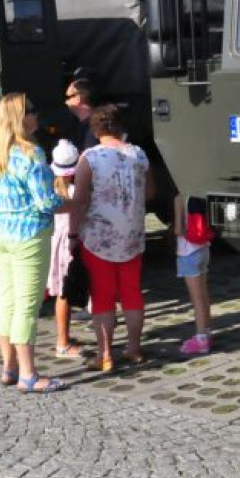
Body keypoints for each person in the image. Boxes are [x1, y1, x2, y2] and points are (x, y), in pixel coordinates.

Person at [0, 93, 66, 394]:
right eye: (32, 111)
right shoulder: (32, 154)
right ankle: (29, 375)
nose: (37, 116)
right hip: (29, 235)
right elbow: (45, 202)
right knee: (27, 307)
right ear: (20, 118)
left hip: (0, 234)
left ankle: (9, 366)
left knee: (9, 302)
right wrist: (70, 199)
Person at [69, 104, 153, 372]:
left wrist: (72, 233)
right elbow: (150, 191)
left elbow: (79, 201)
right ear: (120, 125)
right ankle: (134, 348)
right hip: (131, 235)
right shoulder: (139, 155)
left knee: (103, 297)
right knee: (132, 293)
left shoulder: (90, 158)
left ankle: (105, 354)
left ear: (96, 129)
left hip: (98, 237)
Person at [47, 139, 85, 359]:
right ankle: (62, 342)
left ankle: (64, 338)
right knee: (65, 294)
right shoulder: (75, 192)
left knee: (61, 293)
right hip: (70, 245)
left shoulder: (50, 191)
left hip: (53, 244)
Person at [175, 193, 213, 356]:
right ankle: (207, 331)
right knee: (203, 295)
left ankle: (201, 338)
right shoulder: (200, 192)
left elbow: (179, 229)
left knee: (196, 299)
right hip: (203, 248)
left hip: (188, 251)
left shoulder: (179, 197)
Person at [65, 77, 98, 151]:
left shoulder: (94, 127)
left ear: (78, 98)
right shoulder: (79, 125)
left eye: (68, 97)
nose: (66, 102)